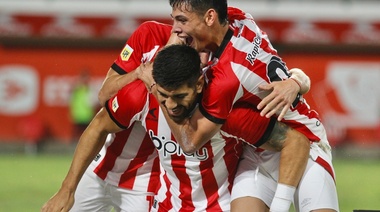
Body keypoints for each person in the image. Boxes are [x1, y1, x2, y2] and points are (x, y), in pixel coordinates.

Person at [139, 1, 338, 211]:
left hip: (305, 143)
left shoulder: (224, 81)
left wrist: (155, 85)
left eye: (182, 20)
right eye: (174, 20)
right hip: (257, 148)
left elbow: (190, 141)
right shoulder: (240, 19)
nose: (175, 30)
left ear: (209, 17)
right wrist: (297, 81)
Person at [104, 44, 310, 211]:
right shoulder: (145, 98)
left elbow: (296, 141)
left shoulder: (226, 115)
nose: (172, 105)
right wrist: (69, 187)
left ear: (199, 84)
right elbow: (98, 124)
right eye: (164, 96)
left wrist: (296, 80)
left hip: (220, 206)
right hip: (166, 205)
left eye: (180, 96)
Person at [42, 21, 173, 212]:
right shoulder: (150, 33)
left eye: (184, 19)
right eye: (176, 17)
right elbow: (104, 95)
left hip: (146, 182)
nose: (178, 26)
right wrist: (137, 74)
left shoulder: (205, 59)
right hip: (99, 166)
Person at [69, 69, 95, 142]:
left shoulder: (89, 88)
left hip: (87, 114)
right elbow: (71, 91)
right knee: (76, 133)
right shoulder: (77, 88)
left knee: (87, 133)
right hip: (78, 114)